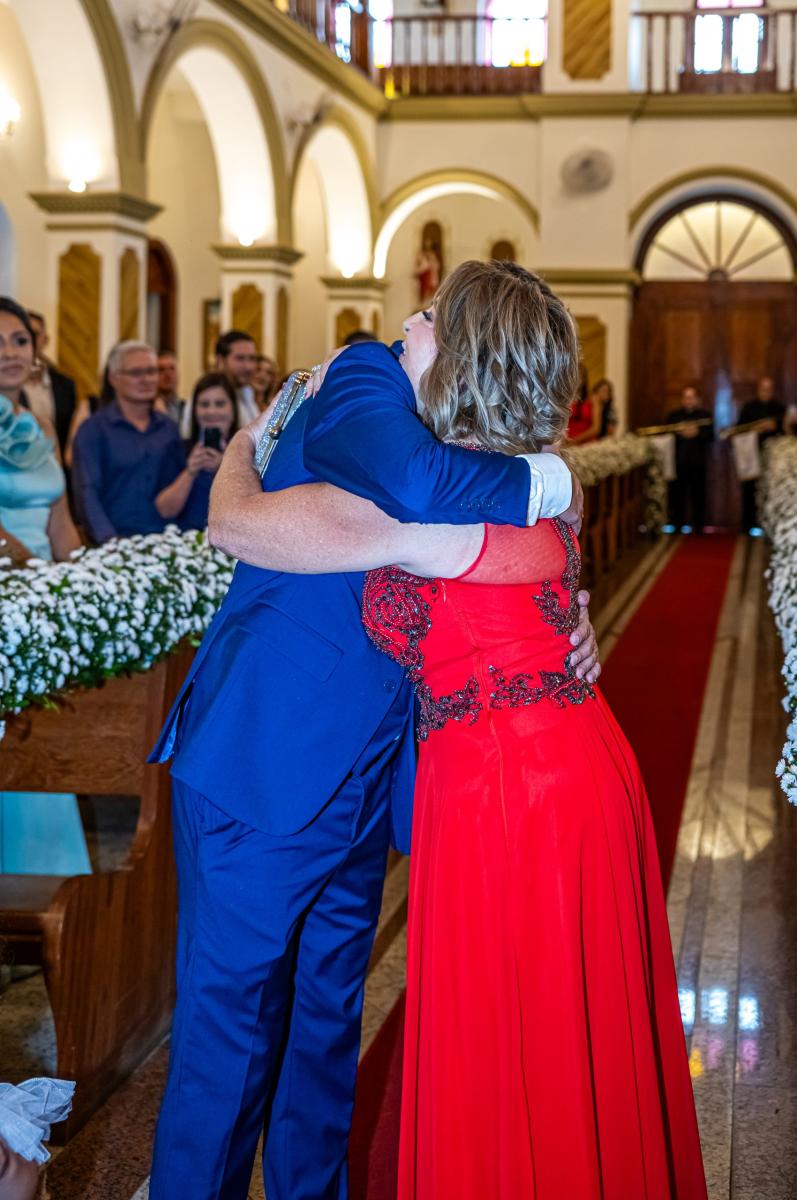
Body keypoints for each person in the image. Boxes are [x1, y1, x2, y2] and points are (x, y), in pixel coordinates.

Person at [212, 261, 706, 1198]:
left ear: (465, 354)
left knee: (517, 1033)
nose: (406, 325)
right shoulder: (524, 485)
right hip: (543, 763)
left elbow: (237, 525)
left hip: (513, 788)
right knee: (548, 1029)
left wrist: (244, 444)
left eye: (428, 318)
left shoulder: (430, 507)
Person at [147, 272, 599, 1198]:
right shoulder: (363, 374)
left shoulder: (451, 428)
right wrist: (555, 482)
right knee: (228, 1039)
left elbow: (501, 549)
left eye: (431, 317)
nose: (408, 322)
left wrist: (567, 608)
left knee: (324, 1026)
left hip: (368, 771)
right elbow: (409, 489)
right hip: (266, 759)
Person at [0, 296, 90, 877]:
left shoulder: (39, 423)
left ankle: (42, 873)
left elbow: (60, 517)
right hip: (9, 592)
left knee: (43, 735)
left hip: (39, 596)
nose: (10, 352)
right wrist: (33, 571)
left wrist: (85, 580)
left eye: (19, 341)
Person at [71, 341, 186, 544]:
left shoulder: (168, 428)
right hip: (114, 544)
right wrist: (110, 542)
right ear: (113, 378)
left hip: (166, 542)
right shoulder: (94, 430)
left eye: (151, 371)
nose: (146, 379)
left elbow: (178, 486)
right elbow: (87, 493)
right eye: (136, 373)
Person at [154, 372, 237, 531]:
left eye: (220, 404)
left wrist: (224, 468)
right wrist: (190, 472)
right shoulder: (177, 449)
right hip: (187, 538)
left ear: (233, 409)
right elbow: (165, 510)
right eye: (204, 404)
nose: (211, 411)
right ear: (194, 410)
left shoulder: (250, 451)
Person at [24, 310, 78, 460]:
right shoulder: (7, 382)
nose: (29, 339)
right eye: (23, 335)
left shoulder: (65, 385)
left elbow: (69, 433)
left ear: (45, 340)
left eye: (35, 334)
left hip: (54, 462)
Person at [737, 376, 785, 533]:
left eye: (769, 389)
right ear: (758, 390)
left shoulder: (779, 408)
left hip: (773, 455)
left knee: (770, 491)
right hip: (751, 454)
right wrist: (755, 429)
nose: (766, 392)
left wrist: (775, 427)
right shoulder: (749, 407)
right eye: (763, 389)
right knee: (749, 490)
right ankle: (748, 525)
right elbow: (739, 429)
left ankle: (769, 525)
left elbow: (786, 432)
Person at [666, 385, 713, 533]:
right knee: (677, 495)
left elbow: (711, 436)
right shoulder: (674, 416)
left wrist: (697, 432)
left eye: (691, 397)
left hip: (698, 462)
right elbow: (666, 435)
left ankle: (698, 526)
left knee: (698, 495)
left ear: (697, 399)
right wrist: (680, 432)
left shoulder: (704, 416)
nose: (689, 400)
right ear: (682, 400)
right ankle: (677, 525)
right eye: (686, 397)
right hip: (679, 462)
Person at [215, 329, 260, 426]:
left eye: (252, 358)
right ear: (221, 361)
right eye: (240, 358)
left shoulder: (247, 393)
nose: (248, 367)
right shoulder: (208, 399)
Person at [155, 350, 189, 433]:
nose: (168, 374)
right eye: (161, 370)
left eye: (172, 369)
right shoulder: (146, 410)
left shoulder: (187, 408)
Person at [566, 364, 595, 443]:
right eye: (574, 375)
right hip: (568, 441)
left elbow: (596, 428)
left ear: (584, 379)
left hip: (587, 442)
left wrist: (576, 440)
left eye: (579, 376)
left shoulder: (593, 398)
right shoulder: (565, 398)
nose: (576, 379)